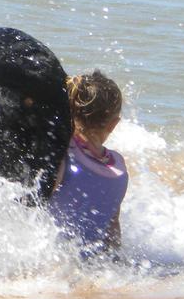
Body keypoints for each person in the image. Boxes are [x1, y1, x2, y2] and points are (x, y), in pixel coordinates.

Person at [47, 70, 127, 255]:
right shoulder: (118, 167)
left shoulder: (63, 157)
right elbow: (113, 229)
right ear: (113, 124)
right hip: (94, 261)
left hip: (56, 260)